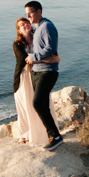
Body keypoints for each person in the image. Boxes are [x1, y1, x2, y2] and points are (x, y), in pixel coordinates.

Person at [13, 18, 60, 146]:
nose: (25, 25)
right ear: (19, 30)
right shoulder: (17, 44)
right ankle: (25, 134)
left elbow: (51, 52)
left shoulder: (38, 38)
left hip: (38, 74)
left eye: (26, 23)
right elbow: (25, 59)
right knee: (27, 106)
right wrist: (46, 59)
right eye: (21, 25)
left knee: (42, 103)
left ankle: (46, 132)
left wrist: (52, 57)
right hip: (23, 78)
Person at [24, 1, 63, 150]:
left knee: (38, 103)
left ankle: (56, 136)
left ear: (39, 11)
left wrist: (33, 57)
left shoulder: (46, 26)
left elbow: (51, 48)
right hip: (37, 71)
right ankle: (52, 135)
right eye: (26, 14)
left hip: (47, 71)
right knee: (43, 104)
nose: (28, 16)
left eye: (30, 13)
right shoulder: (37, 27)